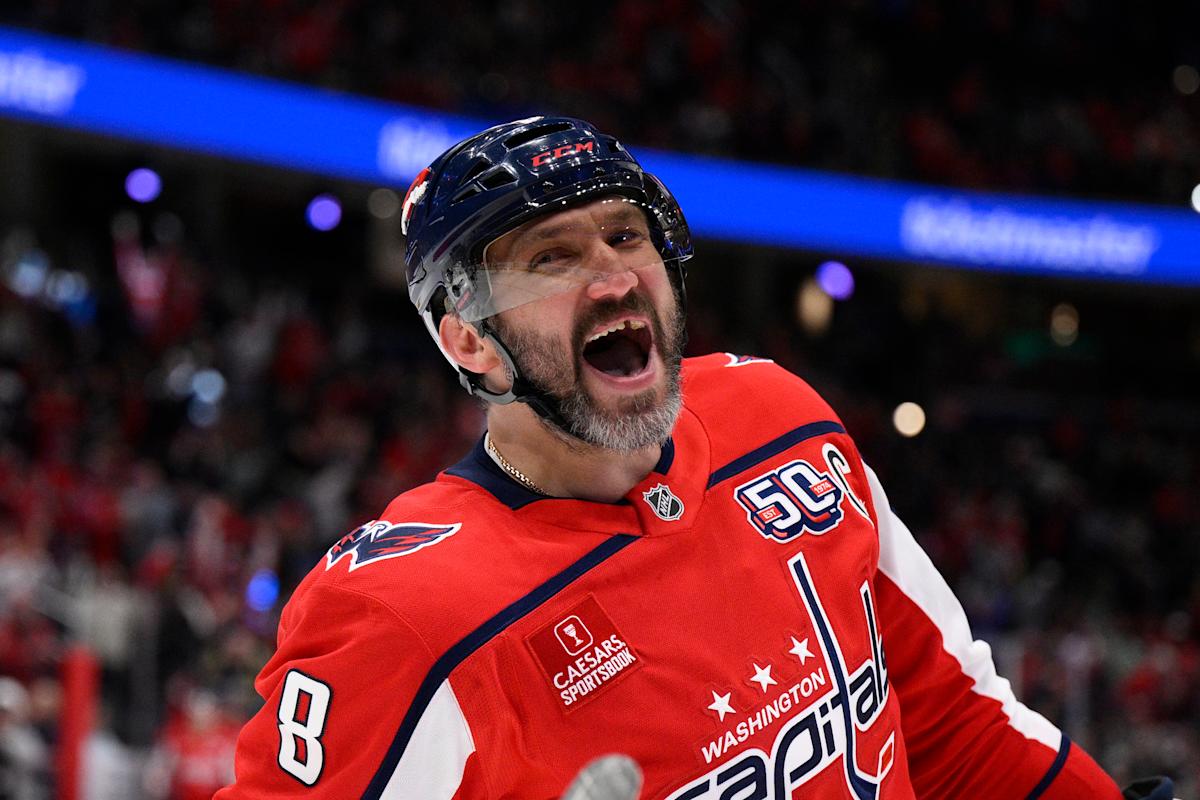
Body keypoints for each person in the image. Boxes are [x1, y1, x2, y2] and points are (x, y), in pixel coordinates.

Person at [217, 117, 1167, 799]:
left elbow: (950, 721)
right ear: (468, 340)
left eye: (625, 236)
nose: (615, 277)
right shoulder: (403, 614)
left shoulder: (777, 418)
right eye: (552, 258)